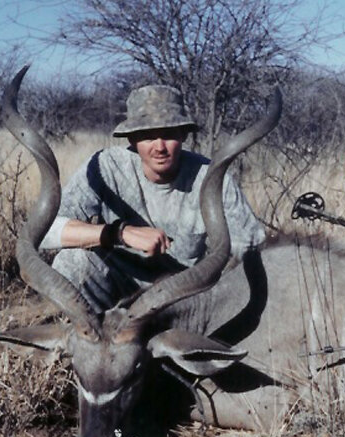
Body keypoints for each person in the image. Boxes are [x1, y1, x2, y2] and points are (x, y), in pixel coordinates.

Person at [41, 85, 265, 314]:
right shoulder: (105, 166)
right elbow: (46, 232)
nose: (159, 147)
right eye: (147, 136)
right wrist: (119, 233)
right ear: (132, 138)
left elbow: (249, 248)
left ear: (183, 135)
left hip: (185, 300)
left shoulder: (213, 178)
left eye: (168, 135)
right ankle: (99, 343)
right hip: (118, 297)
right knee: (71, 263)